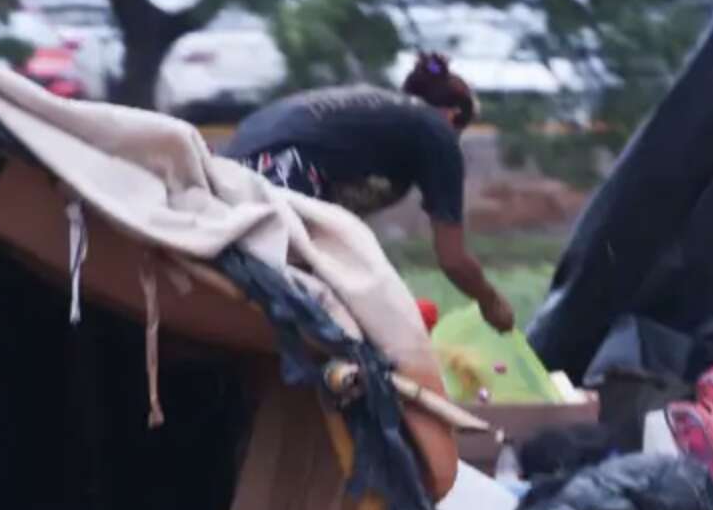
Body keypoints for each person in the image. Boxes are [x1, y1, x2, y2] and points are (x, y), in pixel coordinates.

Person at [220, 53, 517, 332]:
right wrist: (492, 303)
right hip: (281, 172)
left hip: (228, 171)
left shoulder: (380, 116)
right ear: (453, 116)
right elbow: (452, 259)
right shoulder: (436, 131)